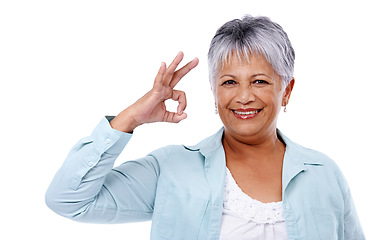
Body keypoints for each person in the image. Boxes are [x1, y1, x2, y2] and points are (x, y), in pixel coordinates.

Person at [46, 15, 365, 239]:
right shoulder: (171, 168)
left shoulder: (324, 173)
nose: (243, 96)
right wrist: (129, 118)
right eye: (229, 82)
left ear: (287, 90)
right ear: (214, 91)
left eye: (259, 81)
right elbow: (68, 200)